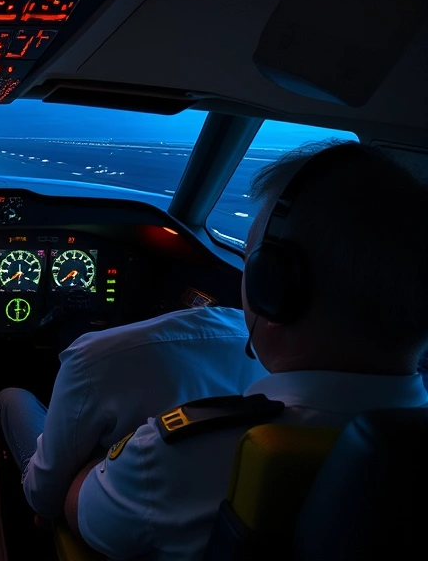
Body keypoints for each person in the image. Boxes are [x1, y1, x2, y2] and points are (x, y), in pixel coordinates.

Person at [64, 140, 428, 560]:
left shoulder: (178, 454)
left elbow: (80, 513)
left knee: (11, 400)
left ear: (271, 290)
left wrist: (107, 460)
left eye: (251, 257)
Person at [0, 305, 269, 521]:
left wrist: (93, 466)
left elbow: (45, 499)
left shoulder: (90, 358)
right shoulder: (264, 351)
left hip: (99, 508)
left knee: (11, 397)